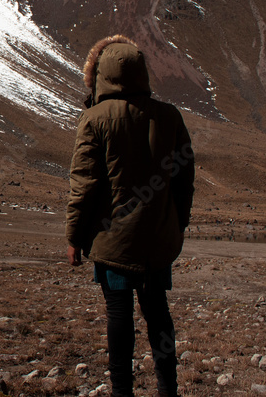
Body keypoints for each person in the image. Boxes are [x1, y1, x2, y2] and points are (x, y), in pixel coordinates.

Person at [66, 35, 194, 397]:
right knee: (158, 315)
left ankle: (122, 391)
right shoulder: (169, 116)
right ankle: (169, 388)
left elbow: (85, 184)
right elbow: (184, 176)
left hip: (113, 242)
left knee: (118, 316)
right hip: (158, 240)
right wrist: (177, 223)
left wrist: (75, 237)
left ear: (100, 75)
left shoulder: (94, 119)